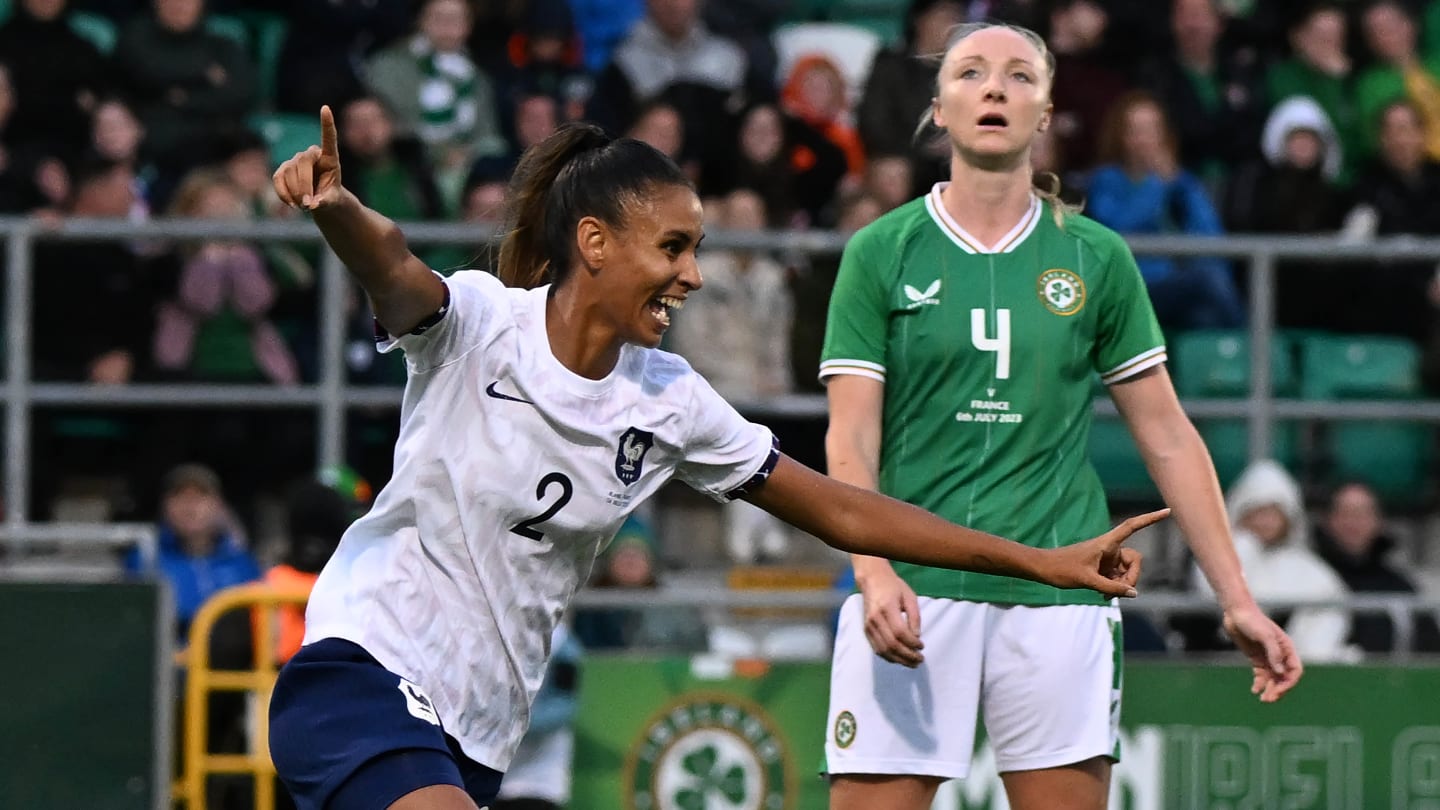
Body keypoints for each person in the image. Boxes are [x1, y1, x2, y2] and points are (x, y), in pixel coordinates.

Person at [266, 107, 1162, 810]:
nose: (693, 275)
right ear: (594, 243)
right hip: (366, 672)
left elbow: (842, 510)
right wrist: (337, 207)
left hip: (479, 729)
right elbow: (393, 268)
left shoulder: (670, 399)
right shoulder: (481, 323)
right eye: (673, 248)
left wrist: (1039, 562)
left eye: (697, 250)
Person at [818, 23, 1301, 810]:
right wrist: (872, 572)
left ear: (1045, 113)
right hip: (911, 585)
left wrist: (1236, 597)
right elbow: (851, 433)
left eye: (1019, 75)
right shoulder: (880, 250)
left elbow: (1167, 436)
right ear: (939, 108)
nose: (995, 88)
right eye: (971, 73)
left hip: (1059, 587)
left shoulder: (1096, 257)